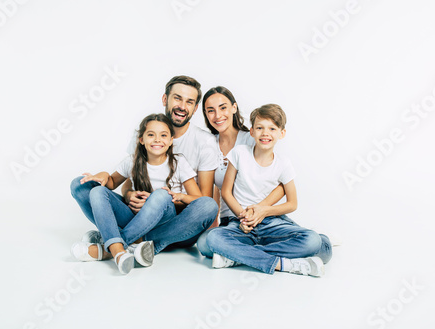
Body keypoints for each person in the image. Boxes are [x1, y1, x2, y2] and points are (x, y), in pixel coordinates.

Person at [206, 104, 332, 277]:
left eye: (272, 128)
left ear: (282, 133)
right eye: (259, 128)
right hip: (240, 222)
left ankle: (239, 256)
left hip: (271, 222)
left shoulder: (283, 163)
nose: (265, 133)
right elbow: (226, 192)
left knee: (314, 241)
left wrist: (263, 211)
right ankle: (284, 263)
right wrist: (244, 217)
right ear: (251, 132)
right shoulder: (240, 153)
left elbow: (292, 203)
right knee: (209, 241)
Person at [70, 113, 204, 275]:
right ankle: (122, 249)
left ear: (170, 141)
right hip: (133, 218)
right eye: (150, 135)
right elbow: (111, 184)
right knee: (84, 186)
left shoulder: (179, 163)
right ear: (141, 139)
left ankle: (114, 246)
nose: (157, 139)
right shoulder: (132, 161)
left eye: (163, 135)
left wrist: (175, 196)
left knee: (161, 196)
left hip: (164, 221)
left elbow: (198, 199)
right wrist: (105, 175)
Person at [120, 76, 219, 252]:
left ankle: (122, 241)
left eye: (189, 102)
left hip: (180, 224)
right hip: (139, 216)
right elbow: (130, 177)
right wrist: (128, 195)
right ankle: (146, 244)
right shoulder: (145, 131)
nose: (182, 106)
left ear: (195, 108)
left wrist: (159, 202)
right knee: (86, 189)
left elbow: (202, 199)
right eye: (177, 98)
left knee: (209, 205)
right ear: (165, 99)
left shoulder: (205, 141)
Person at [196, 86, 285, 257]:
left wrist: (259, 210)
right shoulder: (208, 144)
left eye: (223, 108)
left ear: (234, 108)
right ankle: (255, 253)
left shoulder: (252, 137)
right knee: (204, 244)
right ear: (206, 115)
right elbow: (215, 189)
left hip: (261, 216)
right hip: (231, 220)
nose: (218, 115)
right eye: (210, 111)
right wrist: (213, 225)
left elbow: (281, 182)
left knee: (316, 244)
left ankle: (238, 255)